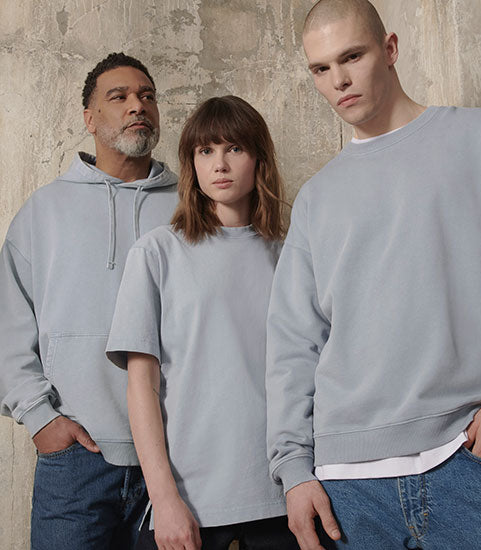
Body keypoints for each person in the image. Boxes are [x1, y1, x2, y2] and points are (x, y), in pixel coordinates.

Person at [265, 1, 481, 548]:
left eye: (352, 56)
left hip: (471, 463)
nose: (338, 80)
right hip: (347, 490)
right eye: (321, 68)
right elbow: (293, 346)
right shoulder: (318, 199)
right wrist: (293, 469)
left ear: (390, 49)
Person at [0, 52, 178, 549]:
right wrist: (41, 419)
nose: (137, 106)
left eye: (146, 96)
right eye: (118, 97)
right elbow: (7, 324)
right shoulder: (45, 210)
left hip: (177, 458)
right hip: (76, 458)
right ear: (89, 118)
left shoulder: (192, 208)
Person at [106, 95, 298, 550]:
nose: (220, 164)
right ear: (192, 163)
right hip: (190, 501)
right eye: (206, 151)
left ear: (258, 159)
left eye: (235, 148)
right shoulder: (157, 252)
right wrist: (164, 498)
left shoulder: (290, 255)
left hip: (282, 493)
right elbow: (141, 387)